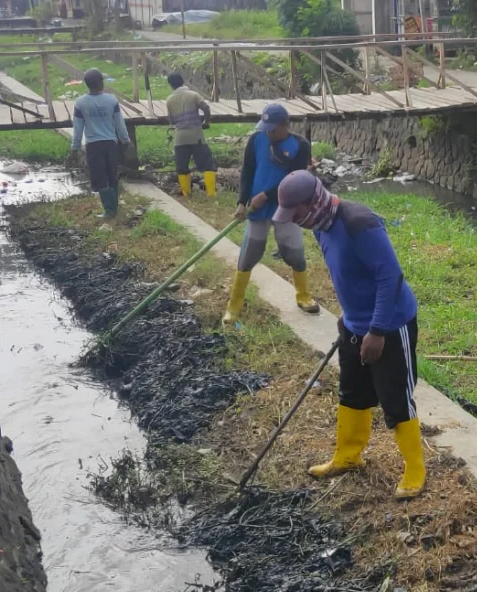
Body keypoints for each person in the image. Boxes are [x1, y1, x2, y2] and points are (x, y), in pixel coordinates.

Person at [273, 170, 425, 499]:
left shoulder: (360, 223)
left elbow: (390, 277)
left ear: (312, 202)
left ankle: (415, 469)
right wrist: (349, 318)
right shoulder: (320, 225)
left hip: (390, 323)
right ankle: (348, 455)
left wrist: (377, 330)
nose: (295, 220)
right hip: (356, 324)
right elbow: (347, 273)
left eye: (296, 213)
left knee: (395, 397)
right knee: (352, 393)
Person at [223, 103, 319, 325]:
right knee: (249, 255)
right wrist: (241, 201)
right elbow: (247, 171)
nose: (268, 132)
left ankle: (303, 296)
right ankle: (234, 305)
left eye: (273, 129)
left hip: (286, 207)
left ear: (286, 125)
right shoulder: (256, 140)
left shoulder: (300, 145)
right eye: (266, 127)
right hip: (256, 209)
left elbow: (293, 181)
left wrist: (266, 195)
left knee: (294, 253)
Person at [70, 69, 131, 219]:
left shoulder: (81, 103)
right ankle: (113, 208)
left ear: (87, 84)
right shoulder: (111, 100)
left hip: (93, 145)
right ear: (101, 82)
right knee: (112, 175)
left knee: (100, 177)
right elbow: (119, 123)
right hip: (111, 143)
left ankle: (110, 210)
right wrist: (126, 140)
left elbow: (78, 128)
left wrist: (75, 147)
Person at [164, 72, 215, 198]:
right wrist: (206, 122)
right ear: (183, 81)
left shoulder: (169, 100)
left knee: (182, 166)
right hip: (196, 136)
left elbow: (171, 121)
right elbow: (206, 108)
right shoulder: (194, 95)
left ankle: (186, 193)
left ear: (171, 85)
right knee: (208, 164)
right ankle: (211, 193)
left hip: (180, 138)